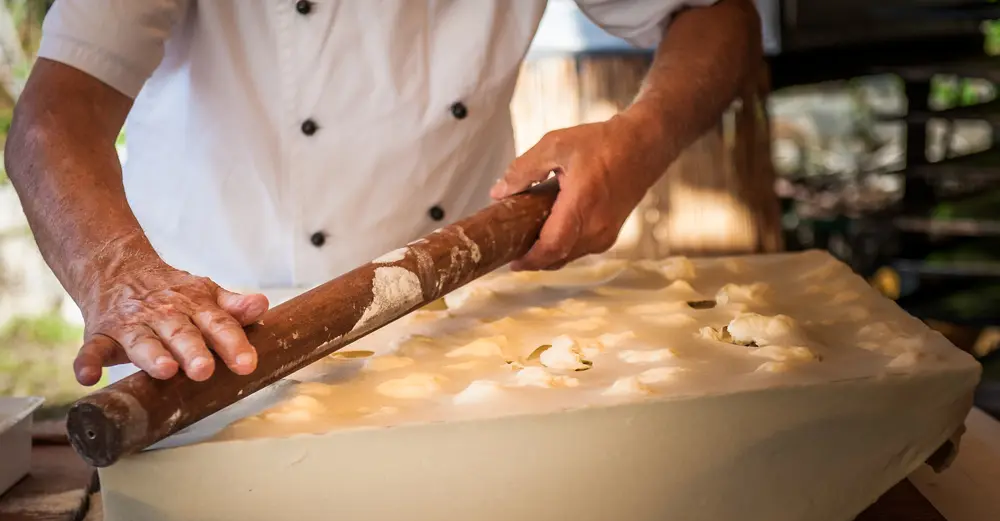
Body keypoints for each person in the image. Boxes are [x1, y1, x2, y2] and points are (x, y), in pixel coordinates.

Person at [5, 0, 762, 387]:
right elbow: (51, 121)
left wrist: (641, 137)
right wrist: (119, 274)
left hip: (463, 334)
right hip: (215, 347)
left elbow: (718, 15)